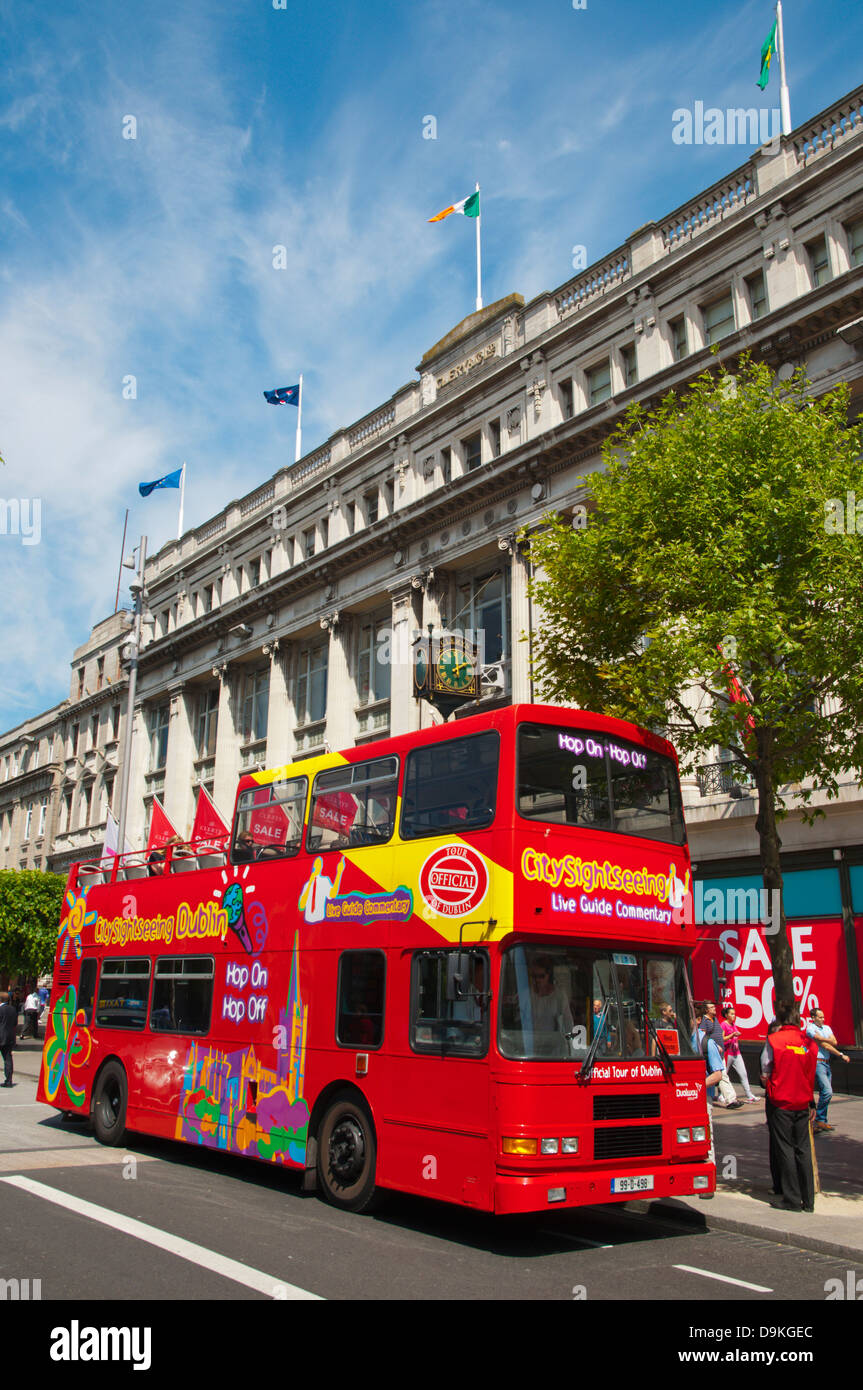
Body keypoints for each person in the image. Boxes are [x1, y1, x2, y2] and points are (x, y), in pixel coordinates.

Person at [760, 1000, 818, 1213]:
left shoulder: (774, 1040)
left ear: (780, 1019)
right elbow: (811, 1072)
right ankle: (808, 1200)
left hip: (781, 1101)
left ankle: (792, 1199)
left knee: (785, 1149)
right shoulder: (808, 1042)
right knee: (802, 1150)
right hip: (802, 1100)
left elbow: (765, 1070)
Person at [805, 1008, 850, 1134]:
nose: (823, 1019)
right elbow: (826, 1045)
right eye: (820, 1017)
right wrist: (841, 1055)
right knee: (828, 1092)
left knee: (824, 1092)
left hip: (826, 1063)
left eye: (823, 1017)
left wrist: (821, 1039)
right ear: (813, 1018)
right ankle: (819, 1119)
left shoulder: (827, 1028)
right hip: (817, 1062)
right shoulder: (810, 1029)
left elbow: (833, 1042)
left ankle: (822, 1121)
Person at [696, 1002, 740, 1108]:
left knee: (723, 1076)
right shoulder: (704, 1022)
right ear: (706, 1010)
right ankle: (730, 1100)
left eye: (714, 1006)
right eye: (711, 1007)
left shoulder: (715, 1020)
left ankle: (730, 1099)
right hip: (712, 1054)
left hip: (719, 1053)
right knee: (722, 1075)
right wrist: (714, 1046)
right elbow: (702, 1037)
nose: (714, 1008)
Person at [721, 1005, 757, 1102]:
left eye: (734, 1014)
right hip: (727, 1053)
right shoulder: (723, 1025)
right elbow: (722, 1039)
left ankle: (749, 1095)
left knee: (743, 1073)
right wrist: (732, 1035)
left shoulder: (733, 1024)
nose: (734, 1016)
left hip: (736, 1053)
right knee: (724, 1075)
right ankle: (721, 1095)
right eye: (732, 1014)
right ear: (726, 1015)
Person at [0, 991, 17, 1086]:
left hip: (1, 1036)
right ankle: (9, 1080)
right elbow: (15, 1023)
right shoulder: (13, 1009)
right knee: (8, 1058)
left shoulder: (0, 1009)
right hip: (10, 1036)